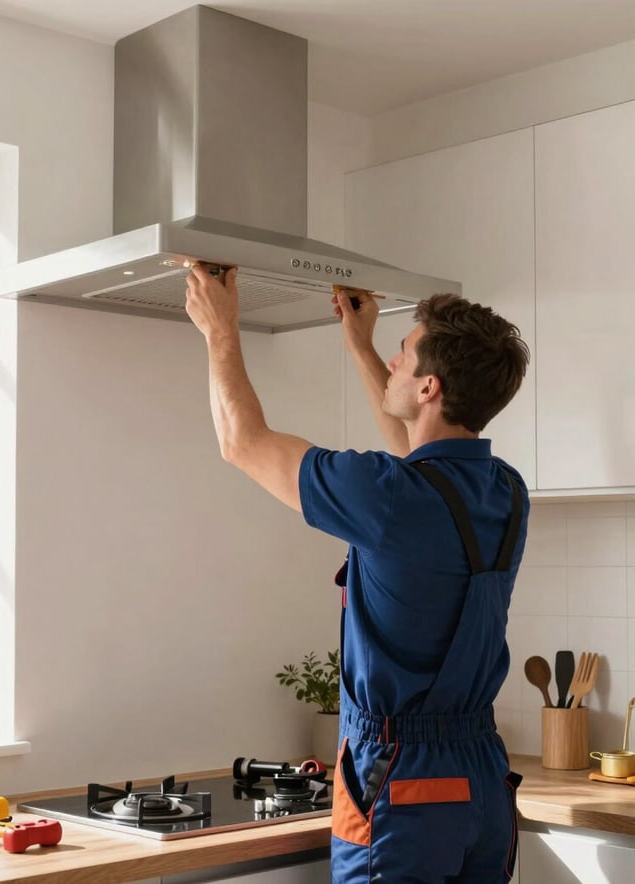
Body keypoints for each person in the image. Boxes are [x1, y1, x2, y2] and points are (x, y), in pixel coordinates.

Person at [185, 264, 531, 884]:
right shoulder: (504, 492)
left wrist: (220, 331)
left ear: (429, 387)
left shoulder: (388, 495)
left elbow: (242, 441)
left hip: (401, 780)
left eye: (403, 355)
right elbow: (413, 444)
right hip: (481, 780)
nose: (394, 366)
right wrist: (362, 344)